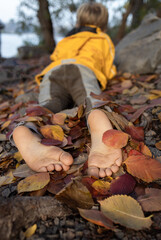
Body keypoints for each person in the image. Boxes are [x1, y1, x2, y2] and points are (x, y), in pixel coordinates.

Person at [12, 3, 122, 178]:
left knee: (49, 104)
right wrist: (105, 78)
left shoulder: (66, 39)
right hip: (82, 69)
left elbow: (55, 57)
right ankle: (98, 122)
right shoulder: (103, 38)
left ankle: (28, 126)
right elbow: (108, 68)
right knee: (89, 98)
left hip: (53, 71)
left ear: (78, 20)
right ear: (103, 23)